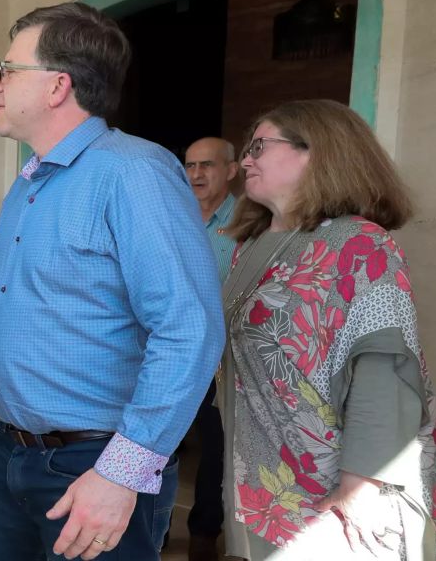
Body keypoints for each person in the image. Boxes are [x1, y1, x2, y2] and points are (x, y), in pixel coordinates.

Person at [0, 2, 224, 560]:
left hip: (94, 464)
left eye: (7, 70)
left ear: (56, 86)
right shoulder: (30, 180)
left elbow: (190, 329)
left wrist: (120, 476)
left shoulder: (133, 172)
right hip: (4, 453)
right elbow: (2, 285)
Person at [220, 99, 436, 559]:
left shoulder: (359, 244)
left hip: (336, 489)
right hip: (264, 480)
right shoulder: (250, 246)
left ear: (318, 151)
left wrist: (359, 490)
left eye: (259, 145)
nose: (245, 160)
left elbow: (384, 373)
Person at [173, 137, 238, 560]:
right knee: (156, 443)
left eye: (207, 166)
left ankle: (204, 535)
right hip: (168, 352)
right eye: (190, 165)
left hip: (222, 356)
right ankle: (153, 527)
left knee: (216, 449)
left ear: (231, 170)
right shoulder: (172, 215)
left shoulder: (254, 221)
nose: (196, 174)